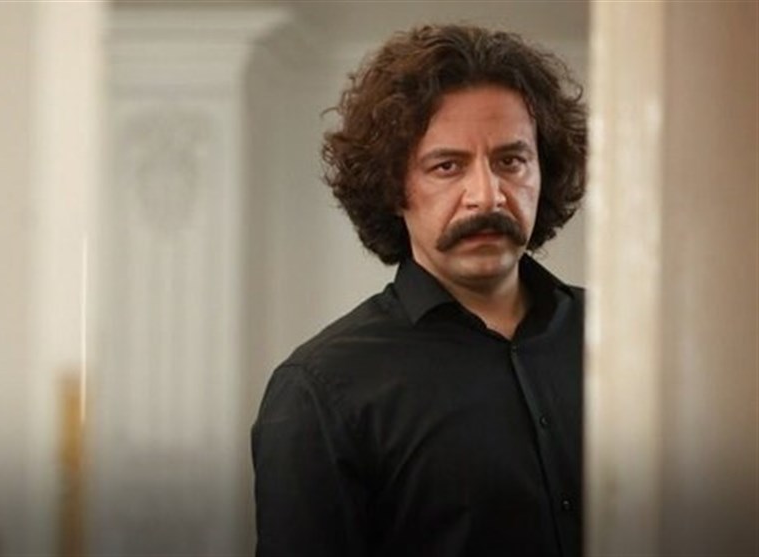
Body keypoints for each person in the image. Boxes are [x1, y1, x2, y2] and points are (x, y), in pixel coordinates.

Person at [251, 24, 587, 557]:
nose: (487, 196)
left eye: (511, 161)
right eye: (447, 166)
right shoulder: (321, 390)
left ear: (544, 169)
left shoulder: (626, 341)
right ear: (393, 188)